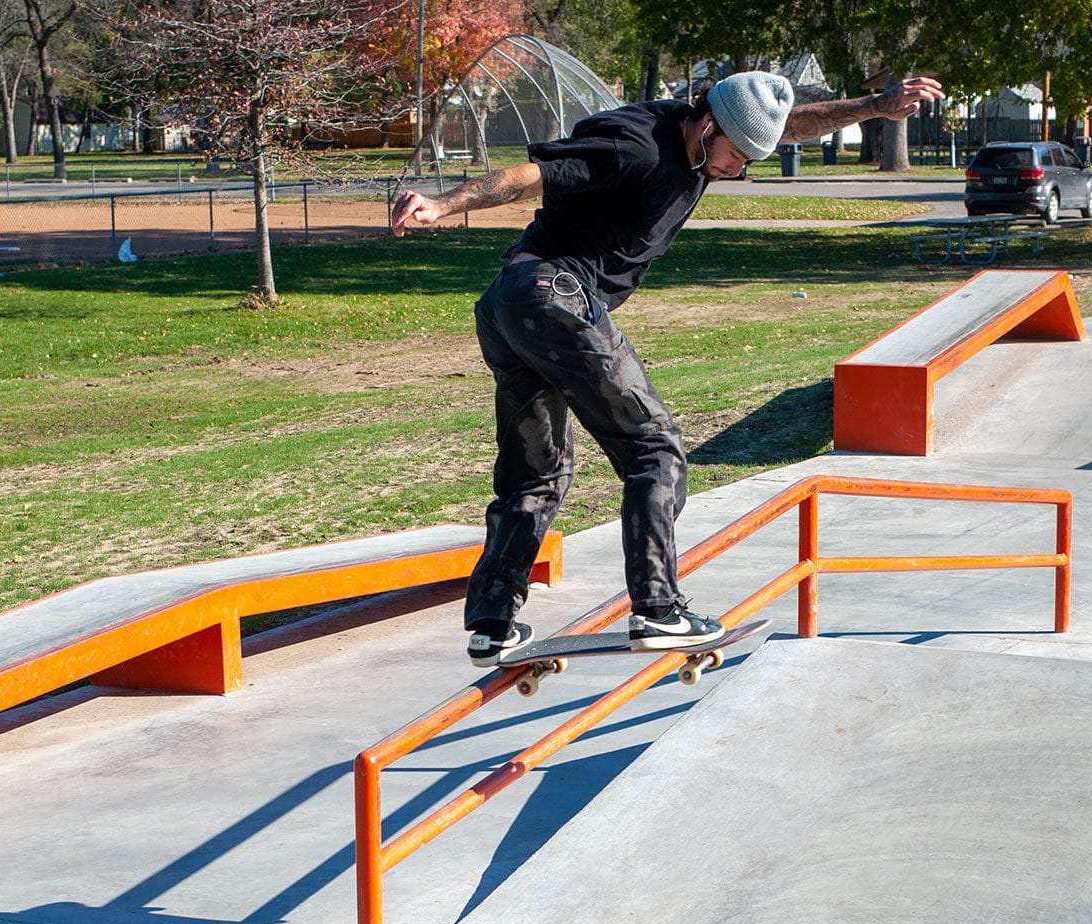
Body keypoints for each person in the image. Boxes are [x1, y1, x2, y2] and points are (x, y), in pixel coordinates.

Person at [392, 71, 946, 666]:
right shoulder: (637, 143)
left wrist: (877, 106)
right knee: (655, 449)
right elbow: (534, 176)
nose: (736, 170)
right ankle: (657, 609)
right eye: (734, 155)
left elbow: (795, 127)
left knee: (537, 471)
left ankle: (493, 623)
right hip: (553, 295)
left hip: (509, 307)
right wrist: (444, 203)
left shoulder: (717, 136)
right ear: (708, 126)